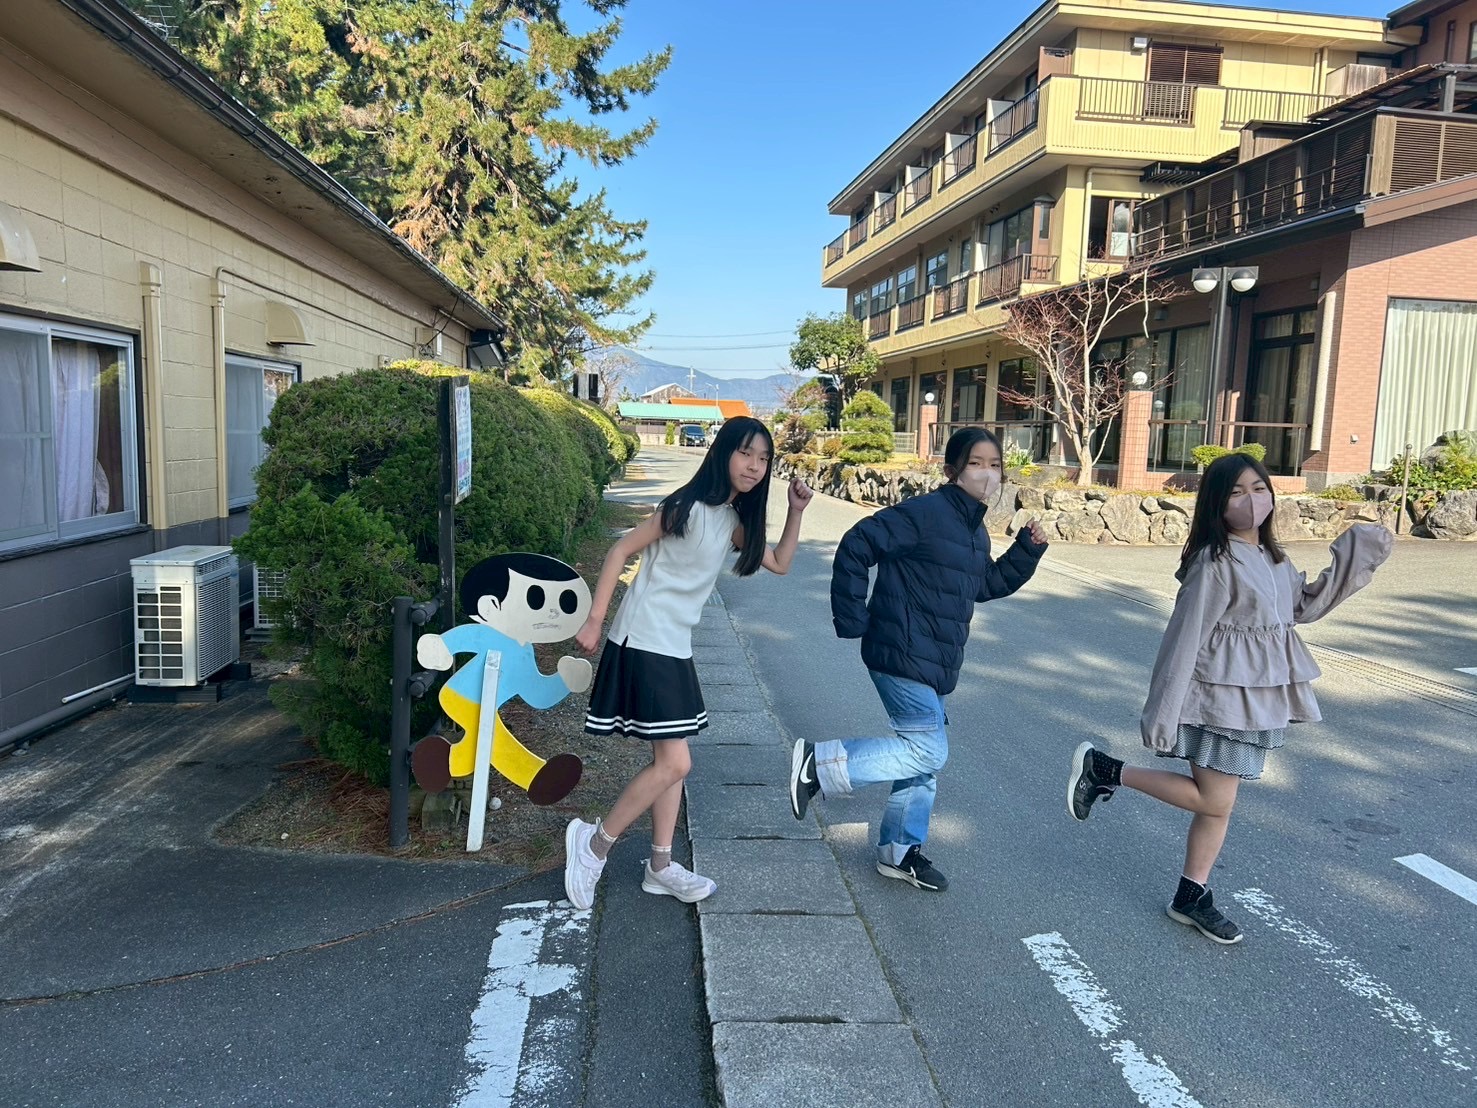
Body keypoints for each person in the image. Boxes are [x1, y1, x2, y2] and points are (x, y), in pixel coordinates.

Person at [1066, 452, 1393, 944]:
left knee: (1218, 804)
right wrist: (1162, 712)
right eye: (1237, 492)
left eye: (1259, 489)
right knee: (1215, 801)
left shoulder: (1274, 560)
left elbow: (1303, 608)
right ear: (1217, 504)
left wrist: (1358, 554)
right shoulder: (1215, 562)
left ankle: (1190, 894)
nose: (1251, 500)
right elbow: (1184, 639)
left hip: (1256, 701)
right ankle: (1105, 770)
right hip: (1217, 699)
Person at [563, 416, 813, 910]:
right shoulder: (684, 507)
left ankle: (660, 866)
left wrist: (796, 510)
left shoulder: (730, 520)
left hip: (674, 645)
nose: (755, 466)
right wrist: (594, 620)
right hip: (643, 638)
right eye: (746, 453)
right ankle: (593, 845)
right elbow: (620, 550)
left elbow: (781, 563)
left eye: (764, 459)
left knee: (670, 764)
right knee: (676, 762)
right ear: (723, 453)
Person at [788, 427, 1049, 892]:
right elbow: (857, 543)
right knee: (929, 750)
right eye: (976, 464)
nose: (987, 474)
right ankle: (818, 765)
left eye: (994, 465)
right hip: (903, 651)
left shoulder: (974, 530)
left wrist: (1026, 552)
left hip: (933, 660)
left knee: (920, 762)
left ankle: (898, 851)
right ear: (951, 470)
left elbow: (982, 585)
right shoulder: (925, 513)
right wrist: (854, 617)